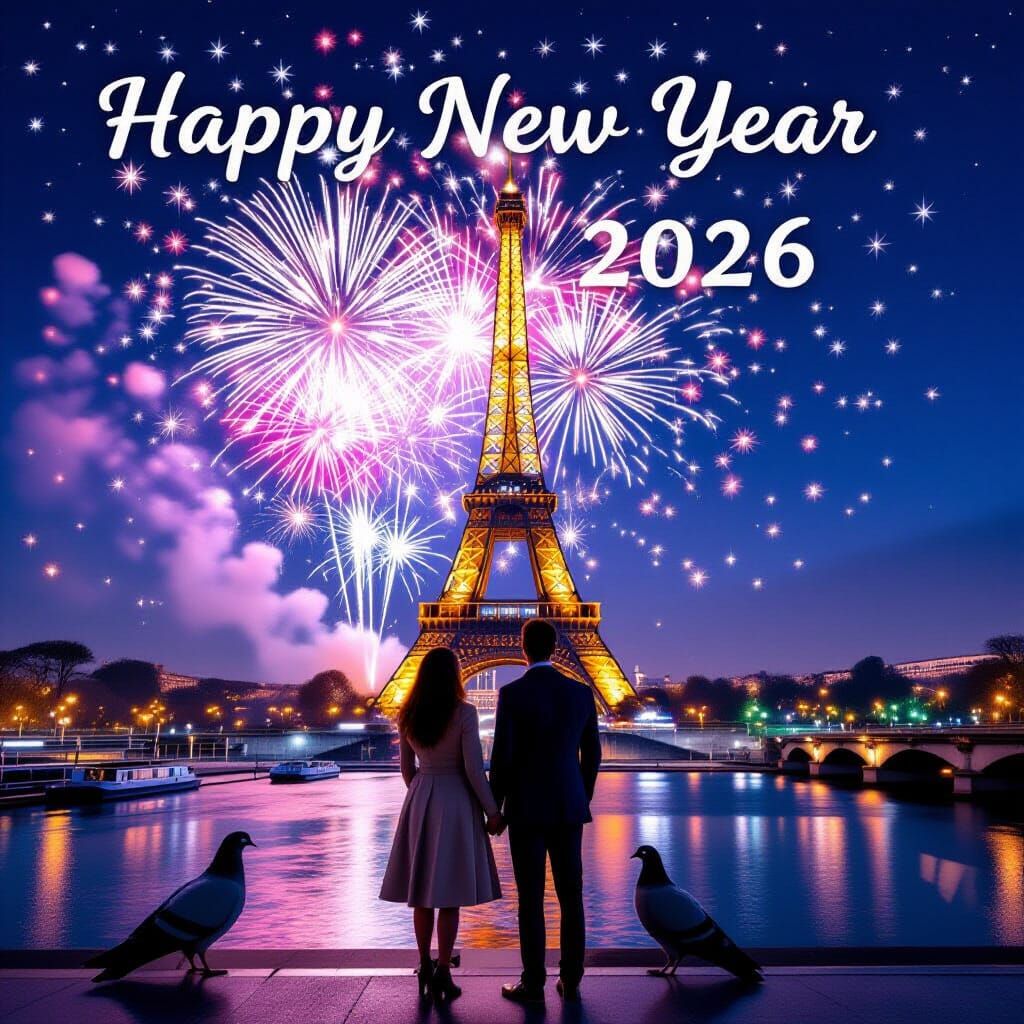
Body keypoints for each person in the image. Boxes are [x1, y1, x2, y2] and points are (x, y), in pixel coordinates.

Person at [380, 647, 503, 1002]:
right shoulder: (464, 712)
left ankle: (423, 963)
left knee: (421, 893)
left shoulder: (408, 713)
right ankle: (444, 970)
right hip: (456, 798)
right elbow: (474, 771)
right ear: (455, 675)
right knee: (449, 894)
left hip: (421, 797)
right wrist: (492, 811)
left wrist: (422, 792)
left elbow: (406, 769)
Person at [489, 618, 602, 1004]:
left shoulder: (512, 694)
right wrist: (580, 797)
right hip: (568, 809)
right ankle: (571, 980)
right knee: (572, 896)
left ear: (523, 648)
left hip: (525, 809)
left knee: (530, 899)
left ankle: (532, 982)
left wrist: (495, 808)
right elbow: (593, 756)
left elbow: (501, 757)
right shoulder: (581, 693)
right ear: (556, 647)